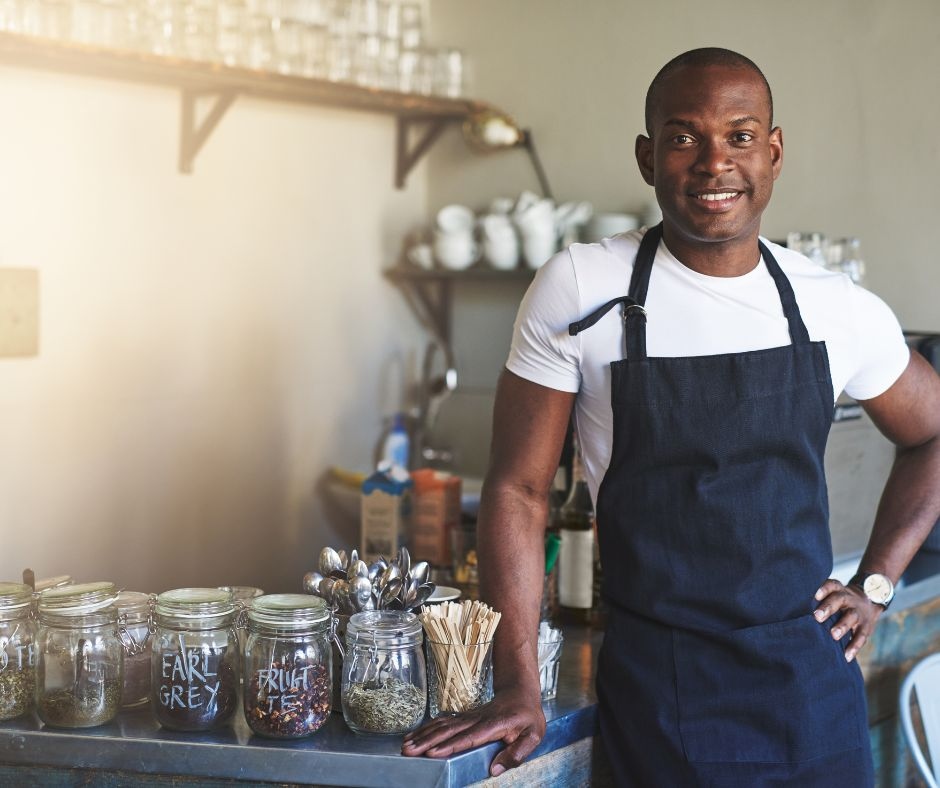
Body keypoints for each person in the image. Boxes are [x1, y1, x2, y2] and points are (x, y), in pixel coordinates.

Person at [401, 47, 940, 786]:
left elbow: (932, 434)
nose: (716, 163)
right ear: (647, 157)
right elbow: (519, 491)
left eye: (741, 136)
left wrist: (876, 583)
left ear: (774, 152)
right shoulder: (580, 286)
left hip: (812, 697)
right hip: (661, 697)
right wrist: (517, 683)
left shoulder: (833, 305)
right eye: (685, 138)